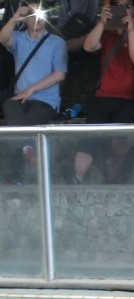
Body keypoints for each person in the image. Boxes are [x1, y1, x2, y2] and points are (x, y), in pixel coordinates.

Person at [69, 0, 134, 185]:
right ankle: (77, 177)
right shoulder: (106, 34)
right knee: (88, 139)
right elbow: (89, 46)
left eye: (127, 5)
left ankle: (115, 178)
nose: (122, 9)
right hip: (103, 96)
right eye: (117, 5)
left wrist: (130, 30)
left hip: (129, 98)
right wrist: (102, 22)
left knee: (120, 141)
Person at [0, 2, 67, 176]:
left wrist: (31, 89)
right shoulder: (19, 38)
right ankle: (29, 150)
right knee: (9, 105)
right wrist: (14, 19)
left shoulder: (57, 42)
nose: (37, 17)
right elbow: (3, 38)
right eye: (32, 13)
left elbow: (59, 74)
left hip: (46, 100)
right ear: (26, 18)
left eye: (41, 13)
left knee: (18, 127)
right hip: (20, 99)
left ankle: (15, 173)